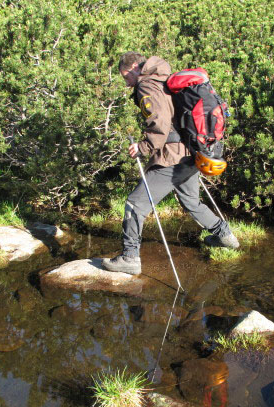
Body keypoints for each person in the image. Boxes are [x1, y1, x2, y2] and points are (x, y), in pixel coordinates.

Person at [102, 52, 239, 276]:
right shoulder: (165, 78)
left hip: (172, 156)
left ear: (135, 67)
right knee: (191, 201)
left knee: (135, 203)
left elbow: (160, 123)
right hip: (192, 153)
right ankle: (225, 235)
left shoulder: (147, 86)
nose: (126, 82)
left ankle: (129, 257)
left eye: (125, 76)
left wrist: (143, 147)